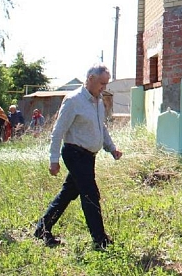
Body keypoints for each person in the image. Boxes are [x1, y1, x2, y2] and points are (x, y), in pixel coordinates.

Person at [34, 65, 123, 250]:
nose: (103, 88)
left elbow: (101, 128)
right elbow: (58, 132)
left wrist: (112, 148)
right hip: (74, 154)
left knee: (69, 192)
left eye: (106, 84)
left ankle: (42, 228)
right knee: (90, 194)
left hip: (89, 157)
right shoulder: (74, 100)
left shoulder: (98, 101)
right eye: (101, 83)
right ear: (90, 78)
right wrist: (54, 160)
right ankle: (100, 239)